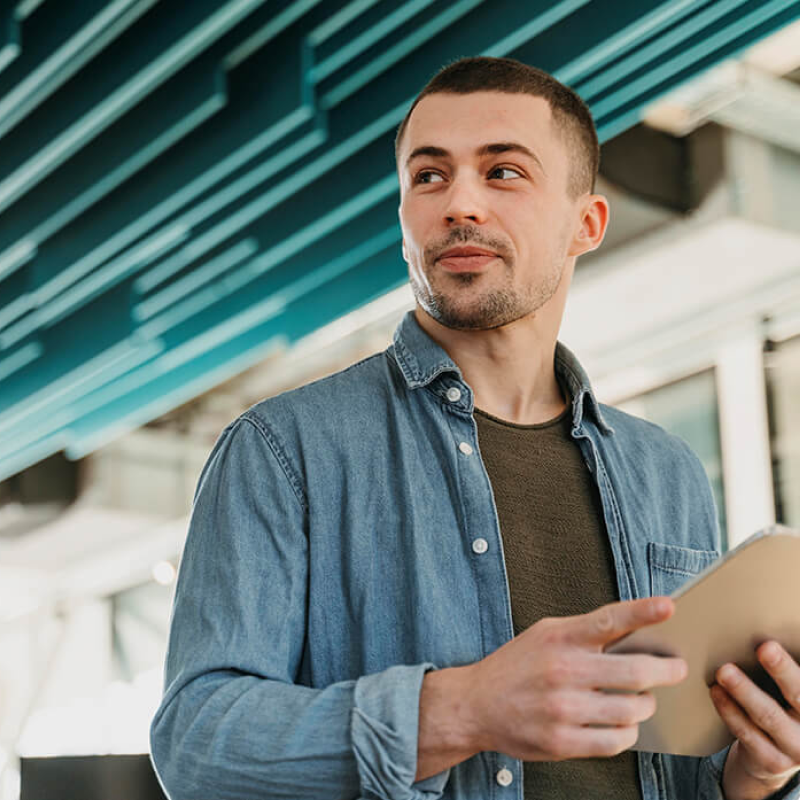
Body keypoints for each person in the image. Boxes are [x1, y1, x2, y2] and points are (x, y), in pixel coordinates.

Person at [149, 56, 800, 800]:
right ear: (402, 218)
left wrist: (760, 771)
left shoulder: (668, 469)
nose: (460, 203)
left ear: (584, 223)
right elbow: (196, 745)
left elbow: (679, 774)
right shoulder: (281, 450)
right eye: (428, 176)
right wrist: (464, 708)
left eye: (503, 173)